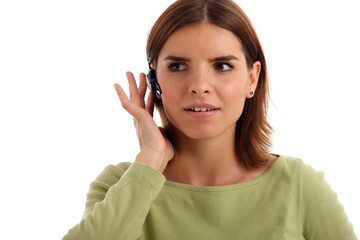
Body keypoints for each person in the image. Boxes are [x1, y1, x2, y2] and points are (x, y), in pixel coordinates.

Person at [63, 0, 357, 239]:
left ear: (252, 79)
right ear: (155, 80)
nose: (199, 85)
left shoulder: (298, 185)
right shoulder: (121, 185)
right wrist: (151, 158)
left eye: (222, 66)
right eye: (178, 66)